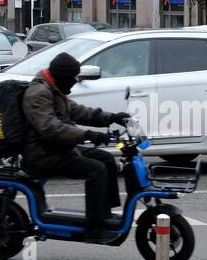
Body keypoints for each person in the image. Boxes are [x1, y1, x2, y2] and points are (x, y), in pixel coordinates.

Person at [21, 52, 131, 243]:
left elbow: (78, 111)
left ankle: (103, 214)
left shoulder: (53, 89)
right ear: (63, 76)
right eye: (74, 76)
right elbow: (51, 129)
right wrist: (87, 135)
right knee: (95, 170)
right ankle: (95, 228)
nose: (76, 80)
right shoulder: (38, 93)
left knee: (105, 159)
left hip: (57, 148)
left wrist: (112, 117)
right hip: (42, 153)